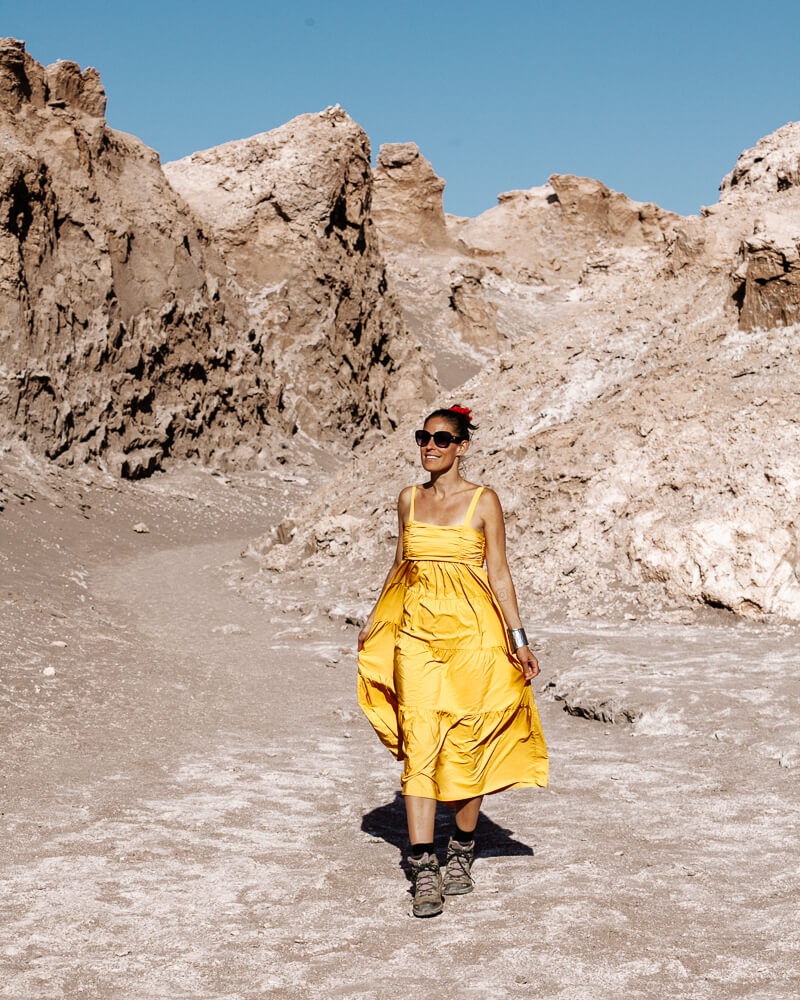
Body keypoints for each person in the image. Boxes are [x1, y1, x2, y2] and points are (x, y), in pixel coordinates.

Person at [357, 404, 549, 918]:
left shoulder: (484, 502)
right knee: (420, 743)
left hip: (476, 639)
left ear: (462, 446)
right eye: (424, 437)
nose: (430, 447)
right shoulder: (408, 500)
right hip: (417, 637)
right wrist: (376, 621)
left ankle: (461, 849)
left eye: (442, 439)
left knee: (465, 744)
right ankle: (423, 867)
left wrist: (520, 638)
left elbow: (501, 574)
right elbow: (399, 567)